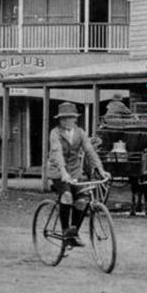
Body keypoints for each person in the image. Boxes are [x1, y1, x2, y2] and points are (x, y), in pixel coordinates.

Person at [46, 102, 104, 247]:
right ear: (59, 120)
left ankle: (73, 233)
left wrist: (101, 169)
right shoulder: (55, 133)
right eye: (64, 119)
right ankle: (65, 231)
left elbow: (90, 151)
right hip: (58, 172)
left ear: (75, 119)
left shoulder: (80, 132)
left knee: (82, 201)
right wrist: (63, 172)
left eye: (70, 118)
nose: (67, 121)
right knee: (67, 196)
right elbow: (56, 152)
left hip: (75, 171)